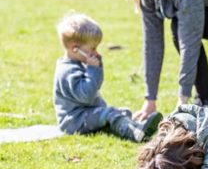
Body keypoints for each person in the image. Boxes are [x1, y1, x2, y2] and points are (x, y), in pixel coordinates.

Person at [53, 13, 162, 142]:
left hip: (87, 114)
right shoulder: (68, 71)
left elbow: (95, 85)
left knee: (122, 113)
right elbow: (86, 96)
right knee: (110, 114)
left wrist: (96, 68)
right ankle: (136, 133)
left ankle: (136, 127)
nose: (96, 52)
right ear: (75, 49)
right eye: (92, 48)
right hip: (74, 121)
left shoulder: (79, 63)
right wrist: (93, 68)